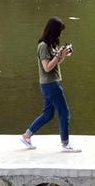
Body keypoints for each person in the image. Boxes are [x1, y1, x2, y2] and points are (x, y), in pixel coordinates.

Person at [20, 17, 78, 151]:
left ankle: (26, 136)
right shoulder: (43, 46)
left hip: (51, 83)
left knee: (48, 114)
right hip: (51, 85)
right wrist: (58, 56)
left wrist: (63, 54)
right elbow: (46, 67)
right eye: (59, 31)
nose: (60, 34)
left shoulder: (51, 45)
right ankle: (65, 144)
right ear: (53, 31)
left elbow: (55, 65)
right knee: (64, 112)